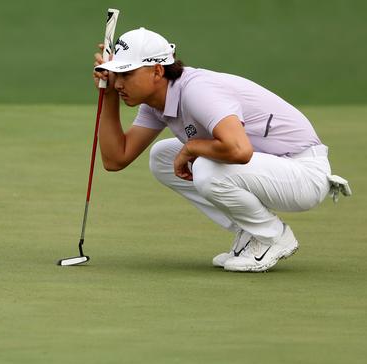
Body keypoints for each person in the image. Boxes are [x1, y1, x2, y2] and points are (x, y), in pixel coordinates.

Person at [92, 27, 350, 272]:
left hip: (302, 174)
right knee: (162, 157)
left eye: (126, 75)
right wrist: (108, 96)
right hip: (273, 169)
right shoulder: (155, 102)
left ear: (158, 71)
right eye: (117, 75)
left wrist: (192, 147)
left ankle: (273, 236)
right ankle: (249, 231)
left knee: (205, 163)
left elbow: (239, 150)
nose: (119, 83)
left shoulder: (197, 90)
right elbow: (116, 158)